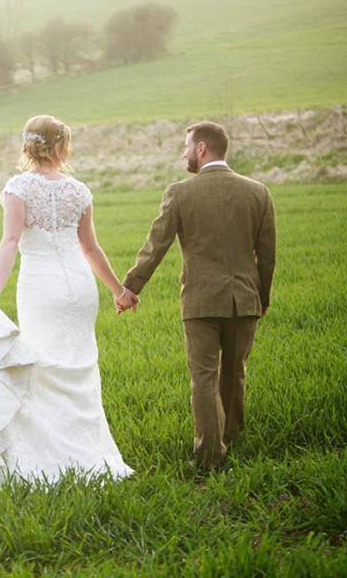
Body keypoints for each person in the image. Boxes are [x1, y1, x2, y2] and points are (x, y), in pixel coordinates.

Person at [0, 114, 134, 488]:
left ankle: (52, 459)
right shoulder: (79, 191)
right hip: (79, 288)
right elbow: (91, 248)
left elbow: (10, 242)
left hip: (41, 288)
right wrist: (118, 290)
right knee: (81, 368)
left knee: (43, 370)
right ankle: (92, 456)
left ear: (29, 146)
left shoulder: (17, 188)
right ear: (61, 146)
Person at [119, 121, 276, 470]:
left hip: (201, 301)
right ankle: (231, 438)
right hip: (244, 299)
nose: (184, 152)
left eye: (187, 146)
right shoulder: (258, 192)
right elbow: (267, 256)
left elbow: (155, 246)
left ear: (202, 148)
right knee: (234, 371)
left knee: (203, 376)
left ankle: (209, 456)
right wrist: (261, 299)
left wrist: (130, 287)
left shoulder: (180, 192)